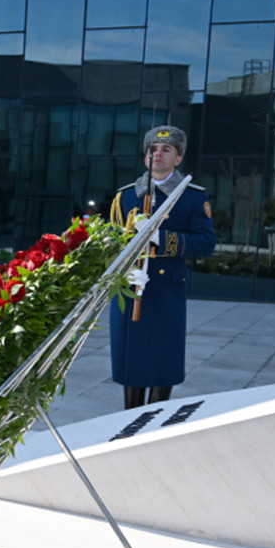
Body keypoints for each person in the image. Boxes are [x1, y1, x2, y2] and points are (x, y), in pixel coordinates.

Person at [108, 125, 216, 410]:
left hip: (166, 289)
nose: (157, 154)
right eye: (152, 149)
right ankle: (130, 418)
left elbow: (206, 243)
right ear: (146, 157)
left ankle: (154, 417)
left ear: (178, 159)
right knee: (130, 357)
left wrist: (160, 237)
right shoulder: (125, 196)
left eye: (166, 149)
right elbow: (111, 241)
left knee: (162, 357)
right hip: (130, 285)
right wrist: (124, 266)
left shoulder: (191, 196)